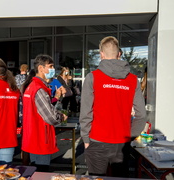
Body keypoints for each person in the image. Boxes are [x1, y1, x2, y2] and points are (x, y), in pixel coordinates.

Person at [79, 36, 146, 177]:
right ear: (119, 54)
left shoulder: (92, 77)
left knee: (96, 178)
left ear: (101, 54)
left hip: (97, 141)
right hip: (122, 143)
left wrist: (85, 139)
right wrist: (130, 136)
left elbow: (86, 113)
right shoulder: (133, 80)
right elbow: (141, 115)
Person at [22, 54, 67, 172]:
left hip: (33, 136)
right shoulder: (39, 88)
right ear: (41, 68)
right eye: (50, 66)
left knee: (35, 170)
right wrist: (61, 116)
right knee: (41, 172)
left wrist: (56, 97)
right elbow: (50, 117)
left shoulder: (32, 86)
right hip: (40, 137)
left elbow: (40, 109)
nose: (53, 69)